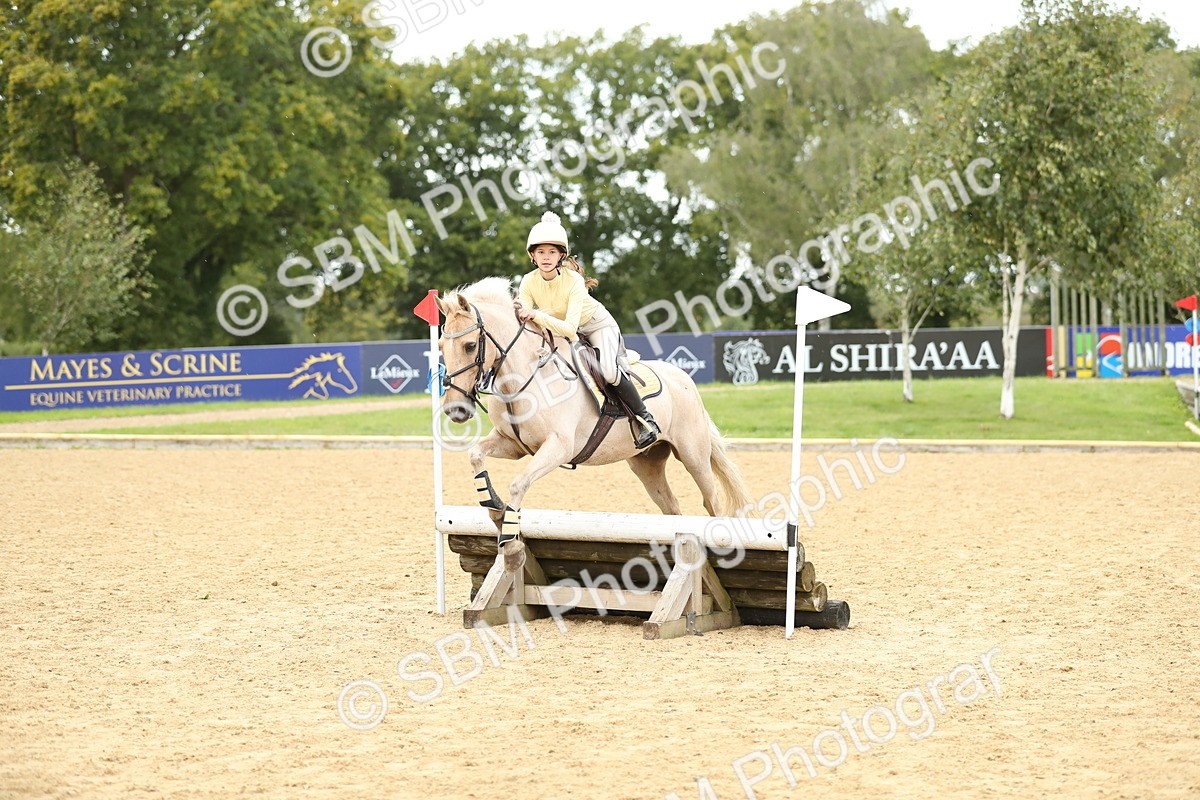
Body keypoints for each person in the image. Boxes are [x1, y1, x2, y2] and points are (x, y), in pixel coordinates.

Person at [514, 211, 660, 448]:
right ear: (532, 255)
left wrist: (537, 315)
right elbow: (525, 320)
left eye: (552, 252)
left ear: (562, 255)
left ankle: (646, 420)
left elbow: (571, 329)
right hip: (558, 329)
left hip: (596, 325)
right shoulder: (528, 281)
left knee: (609, 371)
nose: (546, 257)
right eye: (540, 252)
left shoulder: (572, 280)